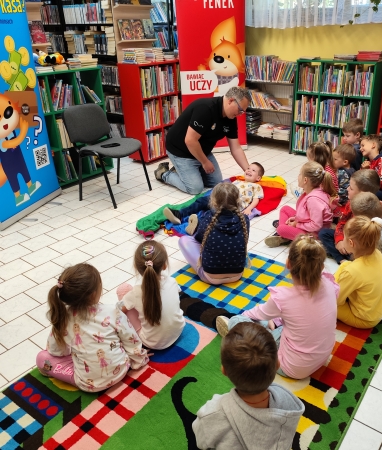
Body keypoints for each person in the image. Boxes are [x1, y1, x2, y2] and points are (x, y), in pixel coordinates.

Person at [216, 234, 339, 379]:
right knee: (287, 317)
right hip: (322, 356)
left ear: (288, 264)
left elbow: (253, 314)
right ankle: (272, 323)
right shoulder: (330, 284)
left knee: (237, 320)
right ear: (322, 266)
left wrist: (243, 319)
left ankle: (236, 331)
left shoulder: (283, 297)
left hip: (291, 366)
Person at [35, 263, 149, 392]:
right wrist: (138, 359)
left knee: (42, 358)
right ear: (94, 294)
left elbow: (56, 351)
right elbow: (131, 339)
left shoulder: (63, 318)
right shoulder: (113, 311)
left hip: (87, 385)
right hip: (122, 370)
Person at [192, 322, 305, 450]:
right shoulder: (289, 404)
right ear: (277, 365)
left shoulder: (213, 413)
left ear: (224, 371)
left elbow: (201, 439)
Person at [154, 87, 251, 195]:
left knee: (216, 183)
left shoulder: (231, 118)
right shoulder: (205, 108)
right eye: (240, 110)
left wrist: (249, 170)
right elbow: (190, 141)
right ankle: (164, 173)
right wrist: (204, 162)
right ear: (231, 100)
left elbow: (236, 148)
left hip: (201, 150)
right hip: (180, 151)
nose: (241, 114)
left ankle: (183, 171)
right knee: (195, 188)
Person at [116, 241, 185, 349]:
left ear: (136, 267)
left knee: (123, 289)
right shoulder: (172, 281)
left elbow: (119, 311)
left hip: (152, 343)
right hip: (178, 330)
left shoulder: (136, 292)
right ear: (164, 265)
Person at [163, 162, 265, 234]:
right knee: (201, 201)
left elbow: (256, 199)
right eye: (248, 168)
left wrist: (249, 208)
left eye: (253, 170)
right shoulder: (237, 181)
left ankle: (196, 226)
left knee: (211, 214)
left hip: (231, 206)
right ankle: (180, 214)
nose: (249, 170)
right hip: (219, 200)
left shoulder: (256, 186)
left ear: (258, 178)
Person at [178, 183, 249, 285]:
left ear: (213, 202)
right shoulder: (245, 219)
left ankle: (196, 227)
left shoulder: (208, 218)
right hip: (237, 275)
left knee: (184, 240)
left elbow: (199, 239)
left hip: (210, 276)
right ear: (238, 200)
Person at [334, 216, 382, 328]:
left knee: (327, 303)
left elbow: (335, 300)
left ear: (351, 243)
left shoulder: (352, 272)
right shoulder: (377, 253)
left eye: (344, 238)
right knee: (345, 264)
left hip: (367, 319)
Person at [265, 161, 335, 248]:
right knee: (285, 209)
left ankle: (284, 235)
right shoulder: (313, 190)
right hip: (309, 225)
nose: (298, 177)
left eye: (300, 174)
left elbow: (316, 225)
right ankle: (287, 234)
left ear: (305, 180)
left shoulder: (313, 200)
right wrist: (296, 219)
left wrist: (296, 224)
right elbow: (308, 215)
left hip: (314, 234)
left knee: (281, 229)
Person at [318, 169, 380, 264]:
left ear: (362, 193)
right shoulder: (350, 203)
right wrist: (339, 240)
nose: (347, 189)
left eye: (351, 188)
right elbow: (342, 222)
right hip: (347, 238)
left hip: (360, 246)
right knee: (323, 233)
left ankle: (351, 258)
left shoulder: (373, 210)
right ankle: (342, 259)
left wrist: (350, 245)